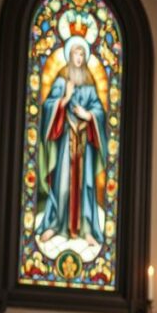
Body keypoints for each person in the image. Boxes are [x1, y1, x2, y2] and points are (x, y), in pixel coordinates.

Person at [37, 32, 107, 246]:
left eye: (82, 54)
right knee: (63, 185)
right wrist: (65, 99)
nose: (79, 58)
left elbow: (99, 111)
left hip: (85, 143)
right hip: (65, 140)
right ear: (69, 56)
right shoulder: (61, 80)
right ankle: (54, 224)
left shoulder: (90, 83)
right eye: (76, 53)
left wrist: (90, 115)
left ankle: (87, 229)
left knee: (85, 184)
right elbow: (48, 107)